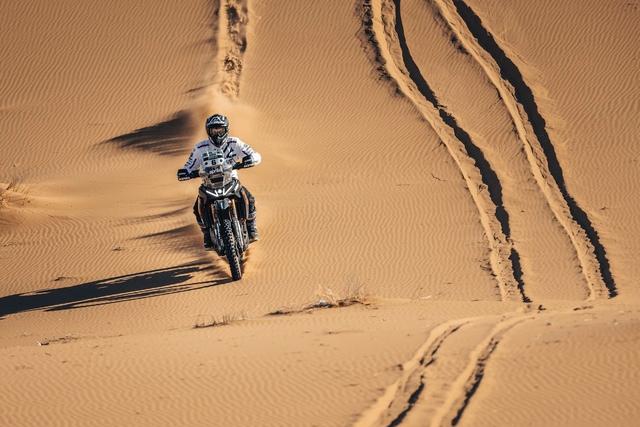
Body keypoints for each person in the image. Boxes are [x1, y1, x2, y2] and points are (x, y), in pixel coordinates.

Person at [177, 114, 261, 249]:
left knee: (249, 199)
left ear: (226, 129)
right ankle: (207, 234)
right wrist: (185, 172)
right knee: (197, 208)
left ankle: (251, 227)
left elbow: (254, 154)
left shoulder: (234, 143)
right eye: (214, 130)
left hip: (231, 180)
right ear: (208, 131)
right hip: (208, 183)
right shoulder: (200, 147)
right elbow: (189, 165)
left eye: (220, 130)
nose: (217, 133)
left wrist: (251, 159)